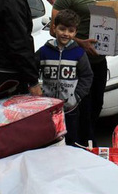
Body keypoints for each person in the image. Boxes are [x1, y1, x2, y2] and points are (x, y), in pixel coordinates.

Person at [52, 0, 111, 146]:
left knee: (97, 105)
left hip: (99, 60)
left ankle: (87, 141)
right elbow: (54, 29)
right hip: (75, 62)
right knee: (82, 108)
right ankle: (83, 145)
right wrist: (80, 42)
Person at [37, 9, 93, 145]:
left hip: (70, 108)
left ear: (75, 32)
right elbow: (32, 70)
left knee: (71, 140)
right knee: (48, 140)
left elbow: (87, 75)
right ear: (54, 28)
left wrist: (77, 96)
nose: (66, 34)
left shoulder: (79, 53)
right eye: (62, 29)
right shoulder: (44, 51)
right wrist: (37, 92)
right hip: (47, 108)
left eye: (70, 31)